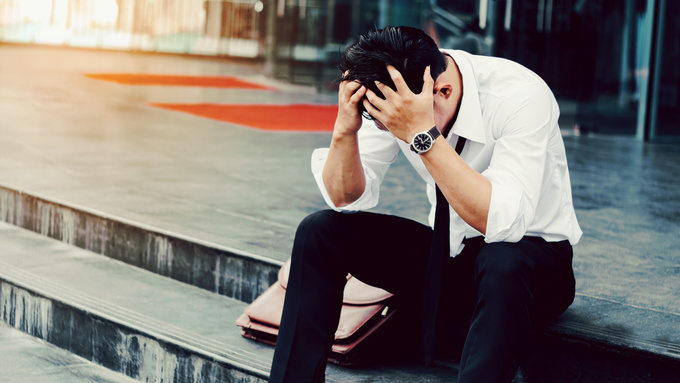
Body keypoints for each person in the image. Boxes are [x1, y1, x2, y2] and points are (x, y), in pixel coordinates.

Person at [269, 26, 582, 383]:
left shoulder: (522, 95)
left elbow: (502, 221)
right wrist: (345, 129)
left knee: (503, 259)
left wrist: (423, 136)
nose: (388, 129)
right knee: (319, 231)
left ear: (442, 90)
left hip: (534, 269)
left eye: (393, 123)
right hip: (450, 259)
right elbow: (345, 195)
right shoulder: (397, 89)